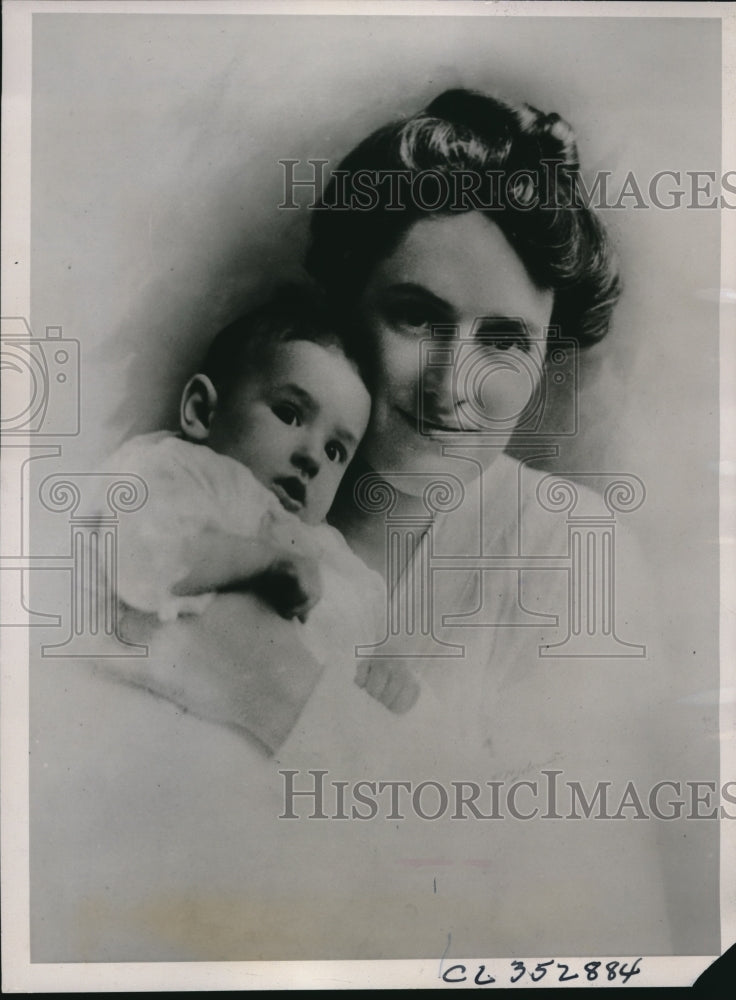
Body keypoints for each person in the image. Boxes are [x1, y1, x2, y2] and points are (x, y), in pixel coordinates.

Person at [32, 88, 705, 963]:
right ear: (347, 301)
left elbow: (583, 917)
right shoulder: (220, 486)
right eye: (419, 316)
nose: (452, 386)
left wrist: (282, 691)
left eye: (504, 341)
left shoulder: (567, 550)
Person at [96, 287, 419, 718]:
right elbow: (142, 555)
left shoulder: (325, 546)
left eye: (336, 451)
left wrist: (388, 663)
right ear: (202, 411)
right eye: (289, 414)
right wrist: (262, 561)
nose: (311, 457)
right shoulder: (184, 472)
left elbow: (367, 617)